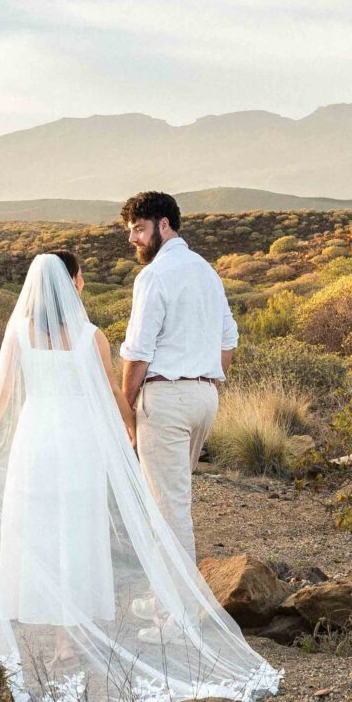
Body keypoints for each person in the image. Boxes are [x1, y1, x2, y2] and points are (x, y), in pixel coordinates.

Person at [0, 252, 278, 702]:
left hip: (36, 440)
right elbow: (109, 392)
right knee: (79, 531)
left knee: (43, 532)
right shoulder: (91, 336)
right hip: (78, 442)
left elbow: (1, 393)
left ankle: (58, 634)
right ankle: (72, 639)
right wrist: (130, 429)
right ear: (74, 284)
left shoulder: (19, 333)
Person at [116, 190, 238, 562]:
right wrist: (204, 380)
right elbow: (229, 339)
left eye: (138, 229)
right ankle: (164, 602)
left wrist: (129, 411)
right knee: (172, 498)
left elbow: (137, 353)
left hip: (165, 401)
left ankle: (177, 614)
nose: (132, 238)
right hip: (204, 400)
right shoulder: (207, 271)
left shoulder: (154, 276)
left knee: (168, 510)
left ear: (163, 225)